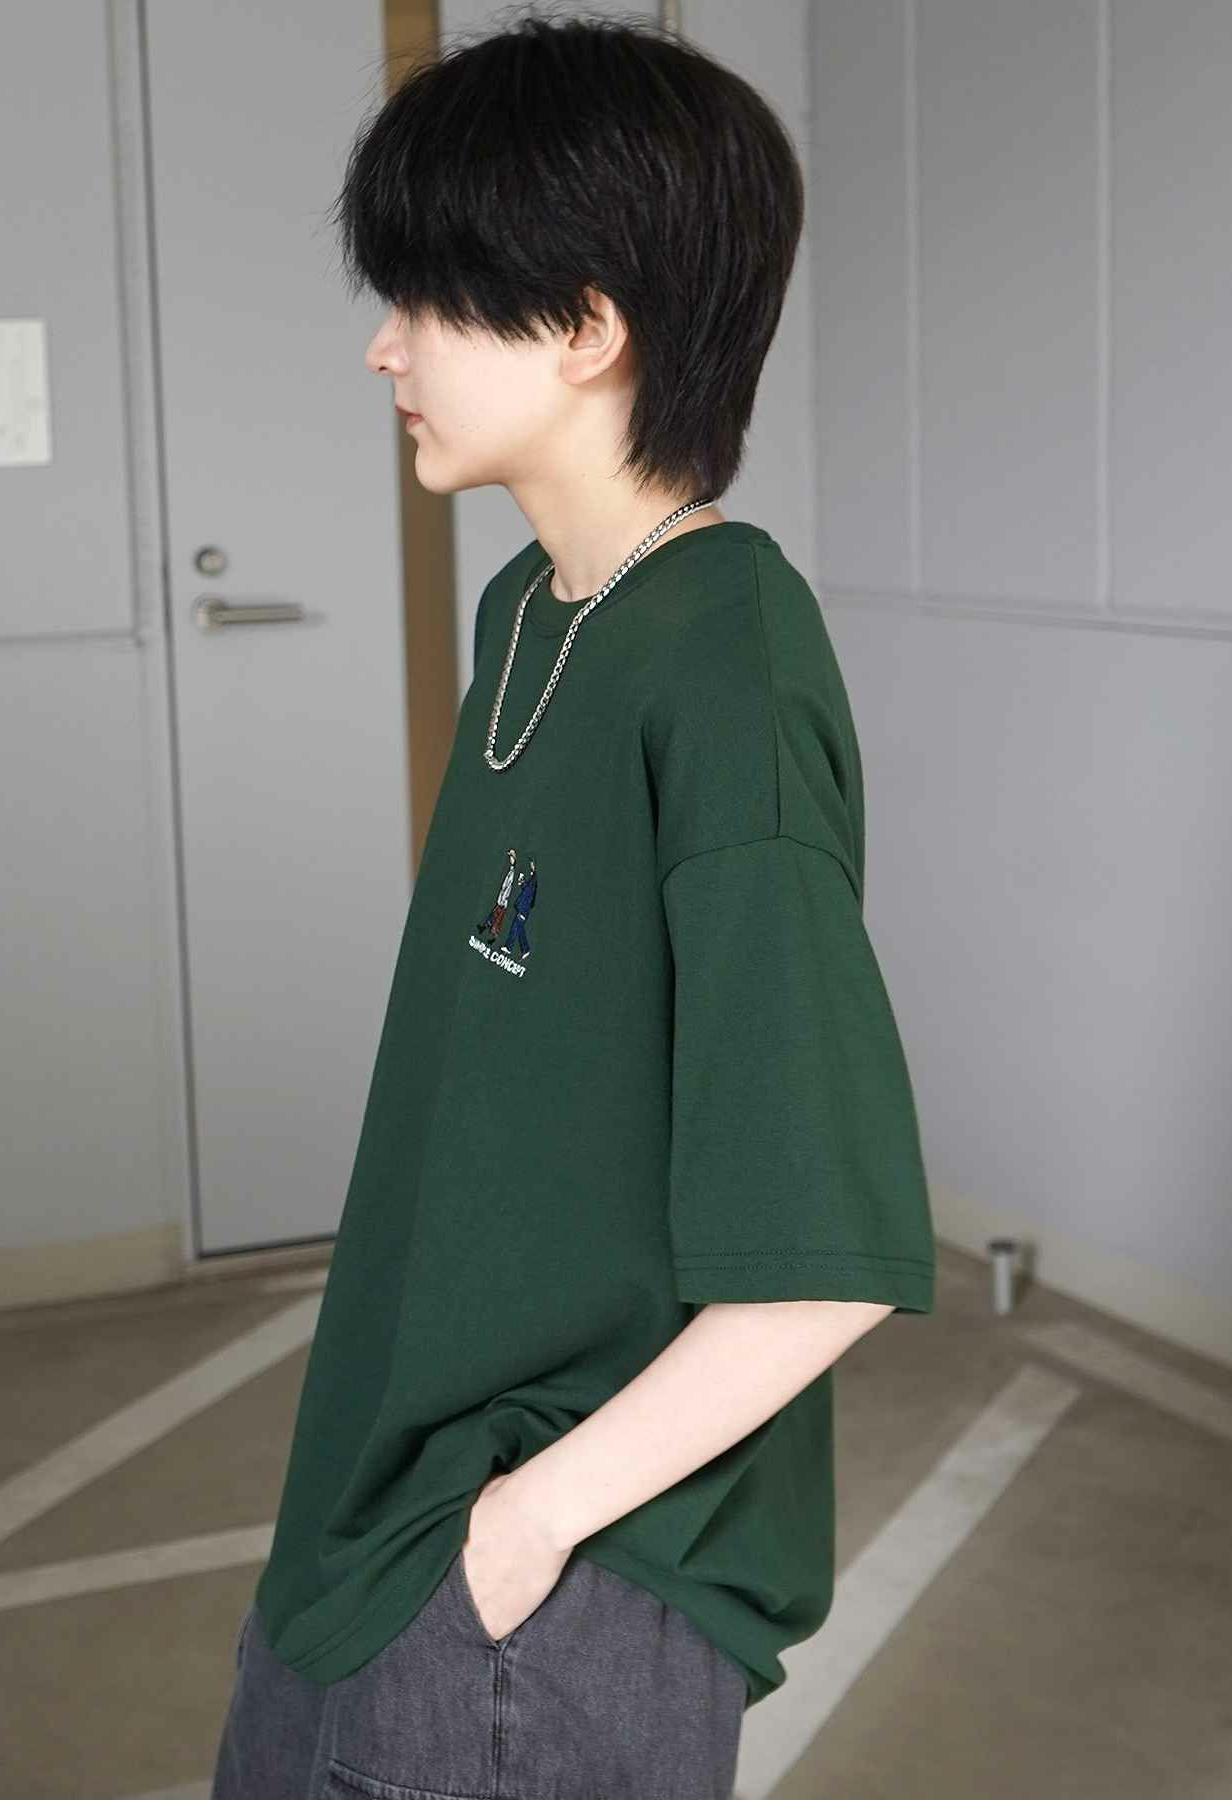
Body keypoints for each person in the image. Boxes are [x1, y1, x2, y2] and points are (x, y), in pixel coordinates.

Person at [211, 10, 935, 1798]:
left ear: (589, 325)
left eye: (429, 299)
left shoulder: (727, 653)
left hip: (551, 1576)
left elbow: (826, 1259)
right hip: (387, 1509)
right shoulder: (532, 608)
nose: (385, 347)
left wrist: (524, 1530)